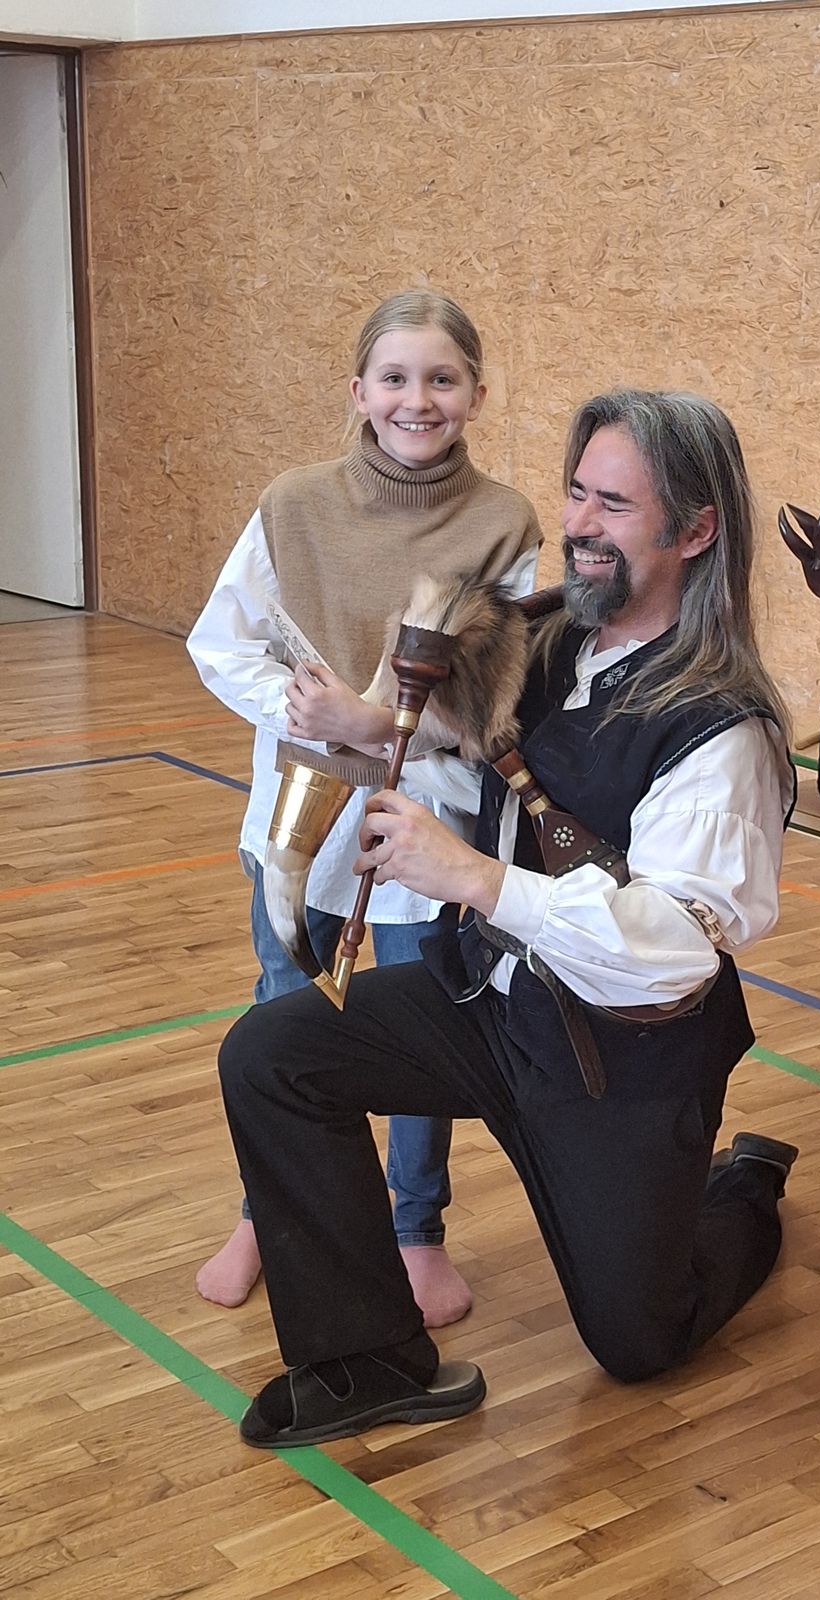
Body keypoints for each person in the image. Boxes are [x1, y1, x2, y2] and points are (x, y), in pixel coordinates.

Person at [216, 387, 798, 1448]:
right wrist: (374, 734)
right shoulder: (554, 643)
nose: (577, 524)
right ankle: (366, 1359)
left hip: (619, 1064)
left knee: (640, 1340)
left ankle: (747, 1186)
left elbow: (672, 953)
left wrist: (475, 879)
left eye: (614, 504)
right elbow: (487, 771)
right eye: (576, 493)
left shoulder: (722, 731)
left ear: (696, 531)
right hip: (495, 1008)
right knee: (272, 1054)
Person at [187, 289, 542, 1324]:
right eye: (394, 377)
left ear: (476, 393)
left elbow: (494, 706)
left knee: (418, 1020)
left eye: (441, 378)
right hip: (297, 816)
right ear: (358, 390)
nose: (416, 400)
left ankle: (414, 1226)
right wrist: (308, 716)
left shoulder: (505, 523)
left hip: (429, 820)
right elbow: (222, 642)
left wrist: (375, 723)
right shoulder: (293, 503)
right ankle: (267, 1212)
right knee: (283, 1007)